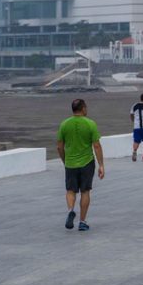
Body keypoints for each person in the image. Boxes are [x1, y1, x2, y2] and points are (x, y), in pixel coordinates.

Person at [57, 99, 104, 232]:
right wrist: (101, 165)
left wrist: (65, 160)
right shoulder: (90, 124)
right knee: (85, 191)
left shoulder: (64, 124)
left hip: (70, 163)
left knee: (70, 190)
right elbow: (96, 145)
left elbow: (59, 147)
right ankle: (82, 222)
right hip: (87, 163)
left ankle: (71, 210)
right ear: (83, 108)